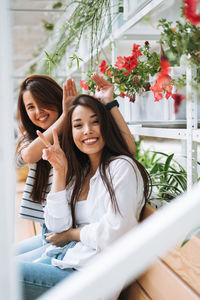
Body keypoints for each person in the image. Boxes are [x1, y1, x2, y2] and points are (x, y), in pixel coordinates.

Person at [18, 74, 150, 300]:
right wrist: (59, 171)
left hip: (88, 278)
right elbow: (57, 226)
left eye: (95, 121)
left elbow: (115, 232)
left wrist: (73, 234)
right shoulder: (79, 170)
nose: (87, 130)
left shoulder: (120, 168)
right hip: (67, 259)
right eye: (78, 125)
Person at [15, 74, 78, 260]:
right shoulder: (30, 139)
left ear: (57, 100)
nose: (38, 111)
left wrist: (69, 116)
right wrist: (65, 116)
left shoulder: (77, 132)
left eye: (43, 102)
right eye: (30, 107)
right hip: (47, 230)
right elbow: (27, 156)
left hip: (68, 233)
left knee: (7, 273)